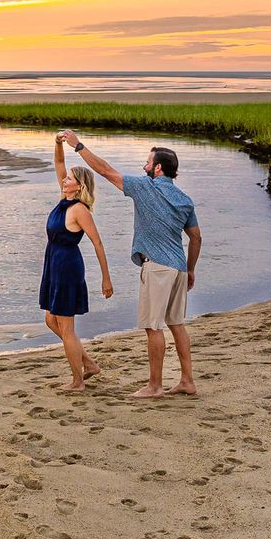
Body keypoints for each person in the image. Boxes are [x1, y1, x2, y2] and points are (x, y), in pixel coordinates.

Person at [57, 130, 202, 398]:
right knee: (176, 323)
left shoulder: (145, 187)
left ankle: (155, 386)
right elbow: (195, 237)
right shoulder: (184, 199)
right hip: (179, 267)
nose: (144, 166)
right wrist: (191, 269)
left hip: (157, 266)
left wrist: (79, 146)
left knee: (153, 327)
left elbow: (105, 171)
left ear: (157, 168)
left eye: (148, 162)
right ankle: (187, 381)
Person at [41, 133, 114, 392]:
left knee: (66, 327)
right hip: (54, 264)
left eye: (70, 178)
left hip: (67, 268)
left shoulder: (79, 209)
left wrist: (106, 278)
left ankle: (77, 381)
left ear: (79, 186)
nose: (64, 179)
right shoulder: (64, 201)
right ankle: (89, 364)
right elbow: (60, 166)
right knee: (52, 320)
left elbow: (98, 242)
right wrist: (58, 143)